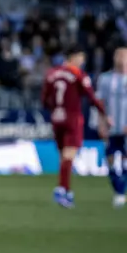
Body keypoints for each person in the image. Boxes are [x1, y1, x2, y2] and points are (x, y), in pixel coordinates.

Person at [42, 46, 109, 209]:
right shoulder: (78, 74)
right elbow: (92, 97)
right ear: (73, 57)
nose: (82, 61)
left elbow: (44, 99)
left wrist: (55, 110)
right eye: (81, 57)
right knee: (69, 155)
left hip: (57, 118)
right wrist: (105, 114)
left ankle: (66, 190)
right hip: (72, 119)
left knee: (63, 156)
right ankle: (61, 189)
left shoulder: (52, 73)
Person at [95, 47, 127, 207]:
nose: (121, 59)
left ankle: (121, 191)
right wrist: (101, 123)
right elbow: (100, 103)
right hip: (111, 127)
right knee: (110, 159)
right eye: (118, 55)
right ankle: (118, 189)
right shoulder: (105, 79)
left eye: (124, 56)